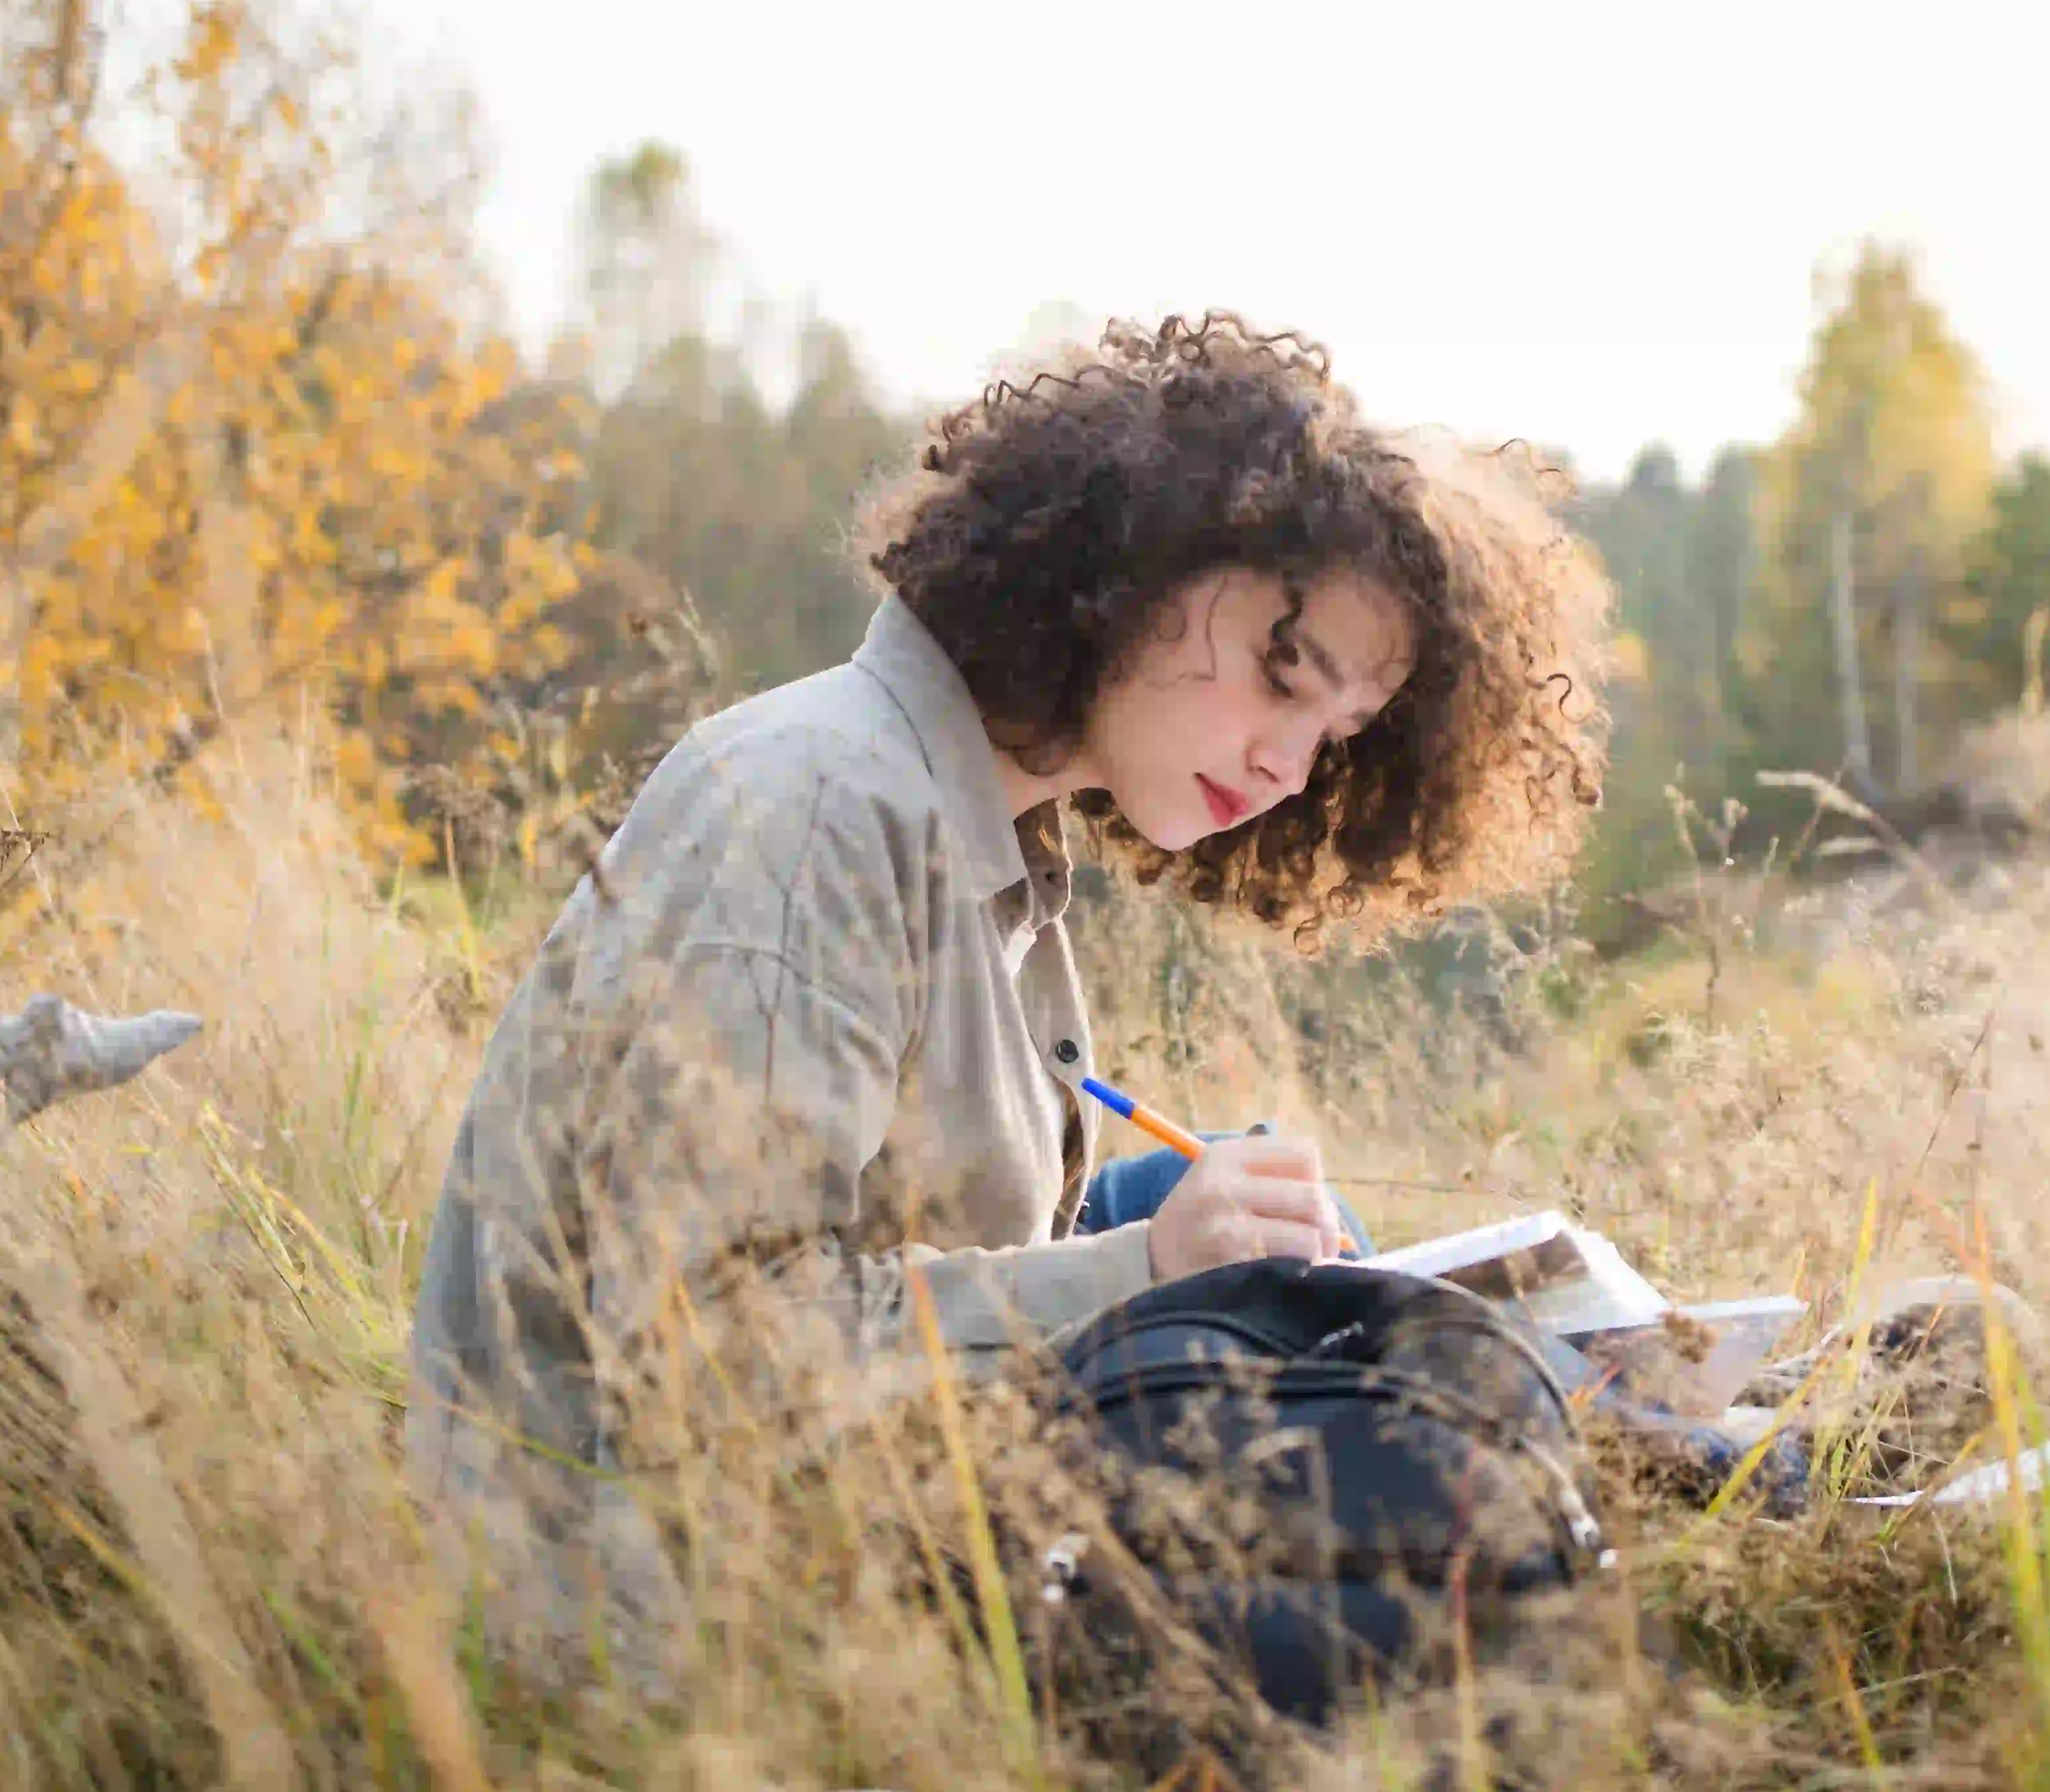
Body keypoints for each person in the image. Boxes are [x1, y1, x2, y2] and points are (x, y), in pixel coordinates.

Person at [405, 313, 1608, 1671]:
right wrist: (1144, 1271)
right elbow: (712, 1359)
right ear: (1131, 565)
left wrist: (1170, 1232)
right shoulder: (816, 809)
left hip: (839, 1534)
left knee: (1277, 1242)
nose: (1286, 765)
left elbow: (906, 1215)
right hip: (661, 1625)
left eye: (1332, 736)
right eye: (1282, 672)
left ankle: (1590, 1421)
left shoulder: (990, 828)